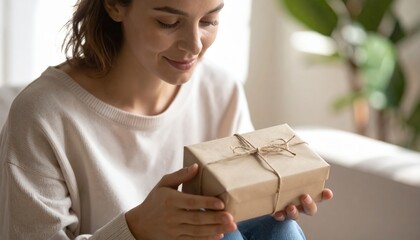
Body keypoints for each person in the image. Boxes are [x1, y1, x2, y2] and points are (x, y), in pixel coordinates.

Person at [0, 0, 333, 239]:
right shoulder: (42, 115)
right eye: (168, 22)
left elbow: (236, 211)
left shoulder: (220, 90)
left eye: (209, 20)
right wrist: (137, 229)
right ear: (115, 6)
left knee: (279, 229)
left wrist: (268, 200)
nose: (194, 45)